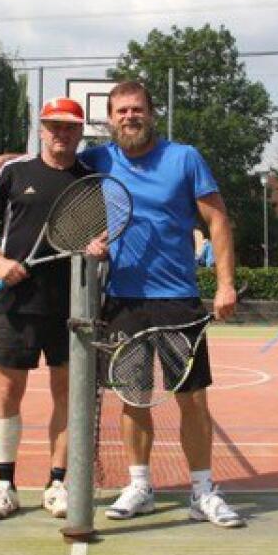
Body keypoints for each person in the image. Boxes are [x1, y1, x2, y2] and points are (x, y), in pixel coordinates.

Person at [82, 81, 244, 528]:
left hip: (178, 300)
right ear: (110, 119)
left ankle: (202, 491)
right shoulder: (98, 160)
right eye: (121, 111)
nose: (129, 117)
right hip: (123, 300)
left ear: (152, 113)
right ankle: (140, 486)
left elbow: (217, 219)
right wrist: (7, 161)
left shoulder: (184, 158)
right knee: (132, 398)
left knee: (192, 399)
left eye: (137, 109)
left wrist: (225, 284)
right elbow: (51, 164)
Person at [0, 97, 92, 521]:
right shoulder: (13, 173)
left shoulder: (91, 178)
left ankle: (58, 484)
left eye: (69, 127)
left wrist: (99, 247)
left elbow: (101, 234)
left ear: (80, 132)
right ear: (41, 129)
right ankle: (4, 485)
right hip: (18, 303)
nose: (61, 133)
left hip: (73, 304)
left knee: (67, 395)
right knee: (7, 392)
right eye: (54, 126)